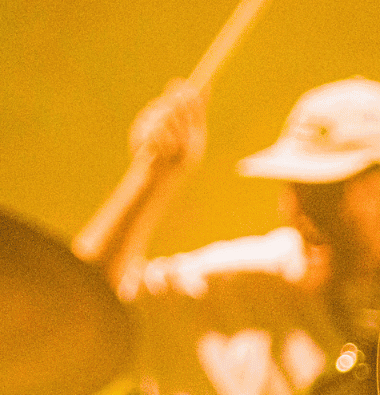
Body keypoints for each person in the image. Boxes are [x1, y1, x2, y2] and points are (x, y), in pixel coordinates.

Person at [73, 77, 380, 395]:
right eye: (297, 184)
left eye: (328, 191)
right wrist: (151, 177)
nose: (303, 211)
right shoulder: (229, 288)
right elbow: (75, 314)